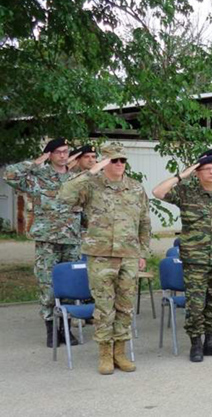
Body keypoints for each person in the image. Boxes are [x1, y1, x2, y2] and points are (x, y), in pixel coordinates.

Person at [58, 143, 150, 374]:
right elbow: (64, 196)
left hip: (128, 255)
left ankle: (120, 352)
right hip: (100, 256)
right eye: (114, 160)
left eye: (122, 161)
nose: (119, 164)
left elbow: (145, 223)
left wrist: (143, 253)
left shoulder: (136, 188)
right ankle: (105, 354)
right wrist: (90, 171)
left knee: (125, 306)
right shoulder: (91, 186)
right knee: (103, 308)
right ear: (104, 162)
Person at [153, 154, 212, 362]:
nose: (211, 172)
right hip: (195, 259)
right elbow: (158, 192)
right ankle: (196, 344)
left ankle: (211, 342)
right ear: (197, 173)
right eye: (206, 169)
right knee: (196, 304)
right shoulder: (186, 192)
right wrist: (182, 175)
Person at [3, 138, 82, 347]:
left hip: (72, 239)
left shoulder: (76, 178)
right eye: (57, 152)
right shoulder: (38, 177)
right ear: (49, 154)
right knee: (47, 284)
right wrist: (37, 162)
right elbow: (9, 175)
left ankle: (66, 329)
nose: (63, 155)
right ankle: (50, 328)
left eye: (66, 152)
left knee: (70, 285)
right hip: (47, 239)